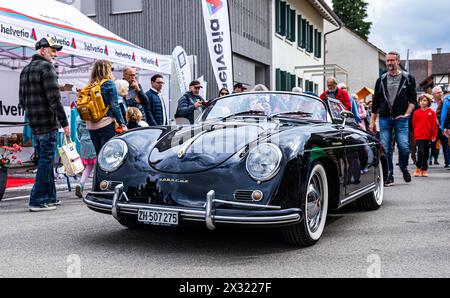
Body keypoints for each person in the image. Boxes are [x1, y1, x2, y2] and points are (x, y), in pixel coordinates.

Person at [19, 37, 70, 212]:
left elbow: (22, 101)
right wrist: (65, 123)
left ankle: (50, 197)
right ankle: (38, 200)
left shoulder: (25, 70)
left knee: (45, 161)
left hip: (34, 123)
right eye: (52, 50)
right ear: (42, 51)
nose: (56, 54)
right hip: (48, 123)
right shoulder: (47, 68)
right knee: (46, 163)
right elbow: (55, 99)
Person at [370, 51, 417, 186]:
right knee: (386, 148)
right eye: (388, 61)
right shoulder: (381, 79)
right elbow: (376, 102)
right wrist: (372, 121)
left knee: (404, 147)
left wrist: (407, 114)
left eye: (392, 60)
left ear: (398, 61)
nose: (389, 63)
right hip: (384, 118)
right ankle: (389, 174)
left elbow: (413, 100)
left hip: (401, 118)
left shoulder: (408, 78)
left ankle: (403, 167)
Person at [86, 60, 127, 155]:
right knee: (108, 155)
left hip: (91, 125)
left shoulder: (90, 85)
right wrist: (122, 123)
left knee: (99, 154)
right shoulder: (109, 83)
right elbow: (114, 106)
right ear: (107, 70)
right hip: (106, 123)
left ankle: (98, 170)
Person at [412, 94, 438, 177]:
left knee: (426, 153)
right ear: (418, 102)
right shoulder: (416, 112)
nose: (422, 102)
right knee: (420, 152)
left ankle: (424, 169)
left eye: (424, 100)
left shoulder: (432, 113)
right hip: (419, 135)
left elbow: (434, 125)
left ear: (428, 102)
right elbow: (414, 124)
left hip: (428, 136)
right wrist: (415, 134)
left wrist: (434, 135)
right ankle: (418, 167)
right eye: (421, 101)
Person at [75, 117, 96, 199]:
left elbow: (78, 134)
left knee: (88, 167)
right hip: (93, 141)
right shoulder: (92, 115)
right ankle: (96, 187)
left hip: (84, 143)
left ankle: (81, 184)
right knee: (98, 167)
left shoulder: (78, 119)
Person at [429, 86, 444, 165]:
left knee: (439, 144)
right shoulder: (430, 102)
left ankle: (436, 159)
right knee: (432, 143)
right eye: (438, 92)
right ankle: (430, 159)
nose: (441, 94)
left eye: (441, 92)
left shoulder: (444, 102)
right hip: (432, 126)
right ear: (434, 94)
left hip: (441, 126)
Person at [440, 93, 450, 168]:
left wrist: (444, 127)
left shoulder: (447, 100)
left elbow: (445, 115)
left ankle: (448, 162)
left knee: (448, 145)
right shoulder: (447, 100)